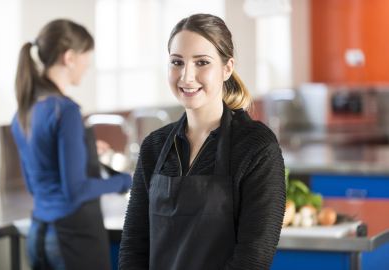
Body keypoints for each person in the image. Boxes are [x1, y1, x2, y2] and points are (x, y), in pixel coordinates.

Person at [119, 13, 286, 270]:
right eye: (177, 62)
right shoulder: (154, 146)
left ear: (227, 68)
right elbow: (134, 245)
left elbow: (254, 256)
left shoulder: (256, 146)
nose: (186, 76)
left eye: (202, 62)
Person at [11, 19, 132, 270]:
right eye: (86, 58)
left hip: (40, 235)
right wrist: (125, 181)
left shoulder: (24, 111)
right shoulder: (65, 110)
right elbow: (75, 190)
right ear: (69, 57)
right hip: (72, 238)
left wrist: (85, 150)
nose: (88, 66)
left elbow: (35, 183)